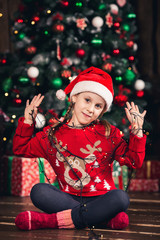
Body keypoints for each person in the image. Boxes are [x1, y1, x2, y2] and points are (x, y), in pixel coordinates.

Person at [13, 66, 147, 231]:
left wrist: (137, 132)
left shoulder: (109, 133)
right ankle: (99, 219)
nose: (91, 109)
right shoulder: (51, 135)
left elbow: (134, 161)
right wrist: (27, 121)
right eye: (87, 100)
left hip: (103, 199)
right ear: (74, 97)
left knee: (121, 198)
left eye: (98, 106)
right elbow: (21, 148)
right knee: (39, 191)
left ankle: (52, 221)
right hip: (67, 199)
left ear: (103, 111)